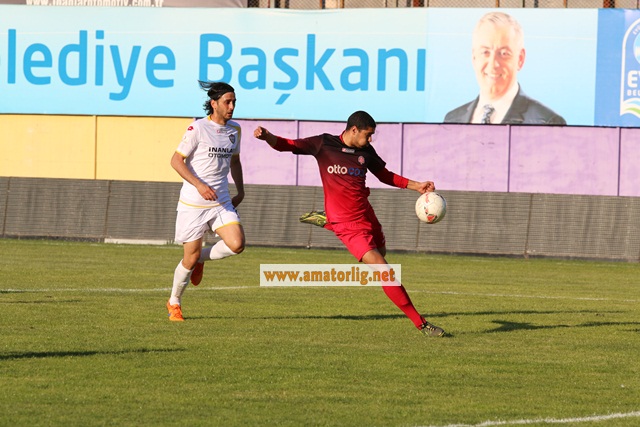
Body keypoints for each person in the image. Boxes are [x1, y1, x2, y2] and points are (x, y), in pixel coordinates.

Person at [253, 111, 445, 337]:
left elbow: (384, 175)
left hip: (366, 214)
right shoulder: (323, 144)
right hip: (348, 225)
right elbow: (288, 145)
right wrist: (268, 136)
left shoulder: (366, 151)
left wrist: (417, 186)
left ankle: (327, 220)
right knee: (385, 272)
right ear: (354, 130)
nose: (370, 139)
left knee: (382, 253)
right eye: (368, 134)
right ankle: (421, 324)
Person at [167, 81, 245, 322]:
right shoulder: (198, 128)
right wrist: (200, 185)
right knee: (188, 258)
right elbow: (176, 161)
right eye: (227, 102)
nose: (231, 106)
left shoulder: (235, 130)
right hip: (194, 203)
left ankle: (201, 258)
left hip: (221, 200)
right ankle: (174, 302)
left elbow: (235, 162)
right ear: (214, 103)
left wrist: (241, 191)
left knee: (237, 244)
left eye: (234, 102)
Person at [444, 11, 566, 125]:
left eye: (503, 53)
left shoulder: (547, 122)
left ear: (520, 59)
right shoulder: (452, 120)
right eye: (485, 52)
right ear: (474, 58)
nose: (493, 64)